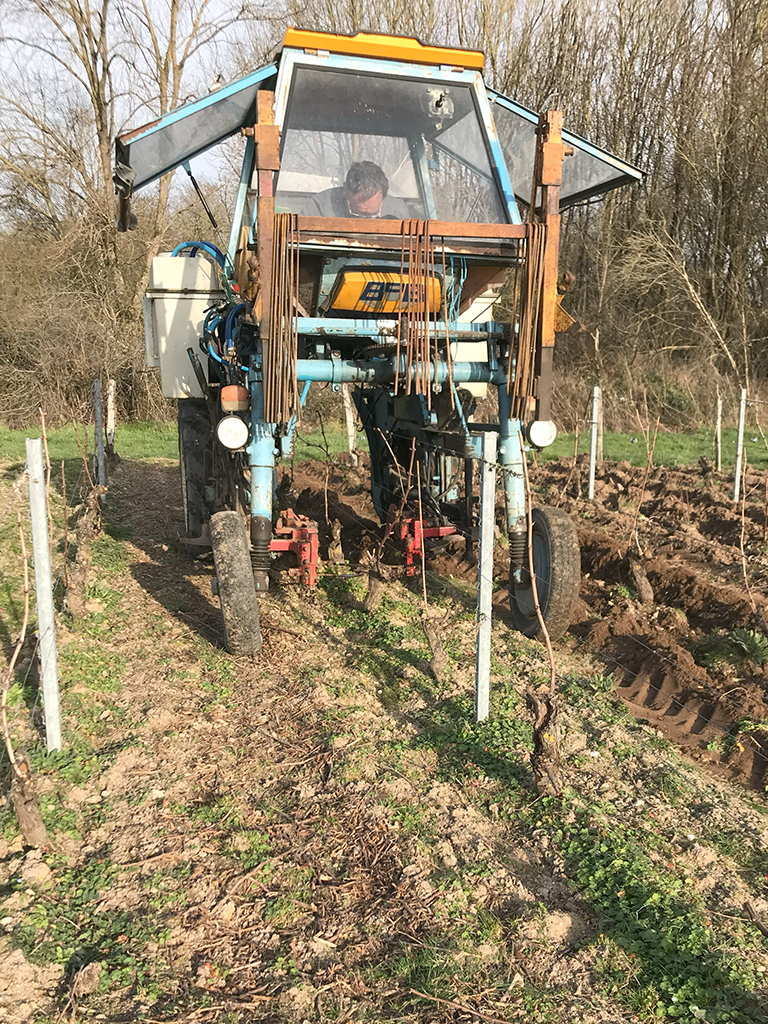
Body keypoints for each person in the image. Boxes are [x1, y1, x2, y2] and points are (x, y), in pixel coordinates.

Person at [302, 160, 408, 219]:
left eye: (373, 214)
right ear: (345, 191)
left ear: (383, 198)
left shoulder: (398, 212)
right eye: (359, 213)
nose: (366, 220)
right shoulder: (319, 207)